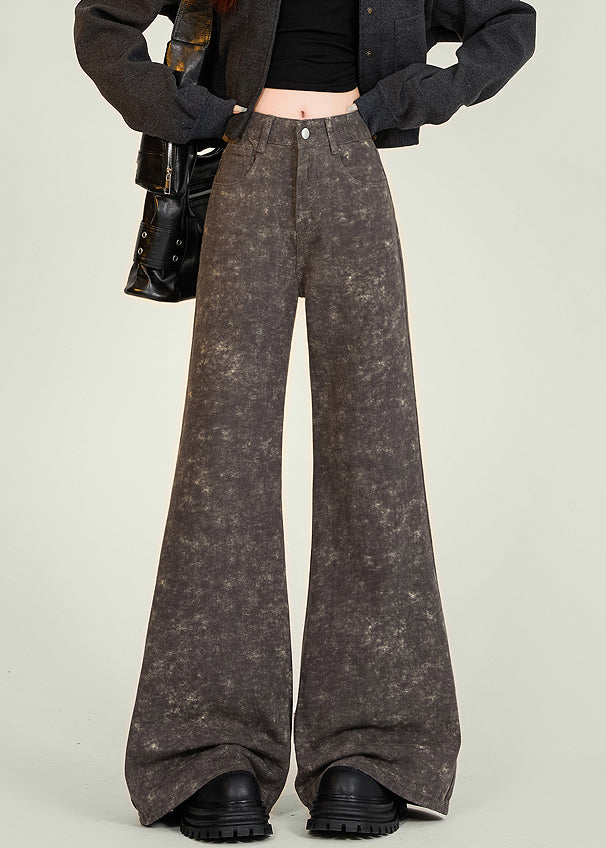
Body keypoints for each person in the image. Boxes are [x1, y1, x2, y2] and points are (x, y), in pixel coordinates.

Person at [73, 0, 537, 841]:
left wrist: (408, 99)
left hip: (353, 169)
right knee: (223, 462)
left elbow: (509, 22)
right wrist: (199, 113)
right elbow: (103, 22)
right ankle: (210, 749)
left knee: (377, 462)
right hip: (245, 165)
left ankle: (374, 746)